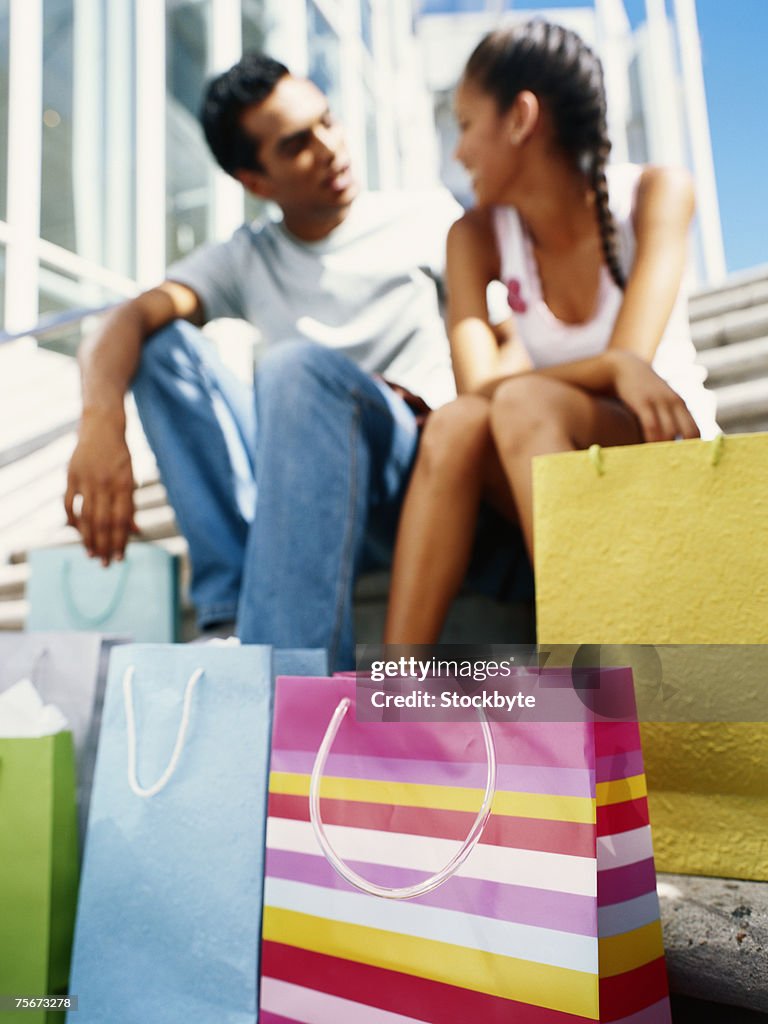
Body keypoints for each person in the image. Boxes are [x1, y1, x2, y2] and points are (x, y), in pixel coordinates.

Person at [64, 53, 463, 669]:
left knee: (292, 369)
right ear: (256, 181)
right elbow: (129, 317)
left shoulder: (427, 218)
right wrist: (100, 423)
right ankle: (228, 609)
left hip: (410, 477)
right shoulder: (249, 257)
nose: (330, 147)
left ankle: (281, 676)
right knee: (160, 342)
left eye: (328, 122)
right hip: (299, 480)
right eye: (299, 144)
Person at [383, 19, 719, 645]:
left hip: (661, 450)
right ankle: (397, 690)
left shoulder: (655, 194)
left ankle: (592, 681)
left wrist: (618, 366)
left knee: (522, 400)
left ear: (520, 118)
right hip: (546, 468)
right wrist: (612, 365)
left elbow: (632, 367)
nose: (458, 152)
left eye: (464, 125)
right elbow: (475, 389)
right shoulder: (475, 237)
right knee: (459, 421)